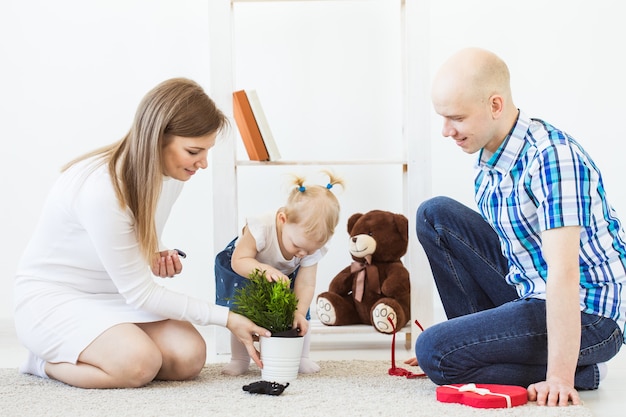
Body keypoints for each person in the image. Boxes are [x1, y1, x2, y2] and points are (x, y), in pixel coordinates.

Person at [14, 78, 270, 389]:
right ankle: (42, 362)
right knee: (138, 364)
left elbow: (131, 236)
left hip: (114, 296)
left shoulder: (171, 175)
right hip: (54, 300)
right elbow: (141, 293)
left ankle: (104, 348)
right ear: (157, 139)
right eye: (194, 151)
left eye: (206, 151)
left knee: (189, 357)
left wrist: (155, 250)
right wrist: (228, 317)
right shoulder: (103, 190)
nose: (202, 163)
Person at [411, 48, 625, 407]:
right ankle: (468, 352)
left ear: (495, 105)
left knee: (434, 352)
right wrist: (465, 338)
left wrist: (558, 376)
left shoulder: (550, 158)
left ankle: (582, 371)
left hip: (590, 316)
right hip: (533, 292)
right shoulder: (490, 160)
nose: (446, 131)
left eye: (457, 118)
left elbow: (564, 273)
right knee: (434, 215)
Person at [215, 171, 343, 376]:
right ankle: (239, 358)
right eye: (297, 246)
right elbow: (238, 261)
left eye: (309, 251)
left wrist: (299, 312)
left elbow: (306, 283)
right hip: (246, 269)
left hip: (284, 275)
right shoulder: (261, 227)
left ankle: (301, 356)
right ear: (283, 219)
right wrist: (264, 270)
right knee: (242, 310)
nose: (302, 254)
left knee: (299, 311)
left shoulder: (310, 246)